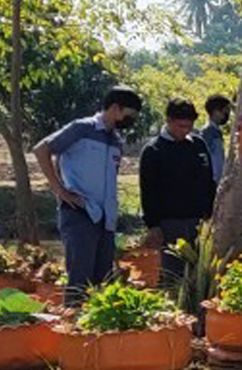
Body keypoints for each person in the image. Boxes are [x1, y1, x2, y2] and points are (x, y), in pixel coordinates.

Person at [35, 85, 143, 305]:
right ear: (115, 108)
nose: (131, 121)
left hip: (105, 217)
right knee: (79, 278)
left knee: (103, 282)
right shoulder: (82, 129)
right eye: (129, 115)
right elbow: (43, 149)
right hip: (79, 212)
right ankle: (73, 328)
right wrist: (59, 188)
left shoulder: (116, 140)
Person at [139, 98, 215, 299]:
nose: (185, 131)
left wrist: (212, 213)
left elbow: (209, 181)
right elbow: (147, 191)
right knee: (173, 275)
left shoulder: (198, 145)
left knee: (200, 275)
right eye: (181, 126)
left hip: (199, 222)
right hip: (170, 222)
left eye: (189, 126)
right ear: (169, 121)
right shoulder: (153, 151)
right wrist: (153, 225)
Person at [200, 94, 232, 189]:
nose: (227, 114)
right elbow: (216, 164)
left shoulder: (213, 132)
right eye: (225, 110)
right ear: (216, 111)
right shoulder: (210, 133)